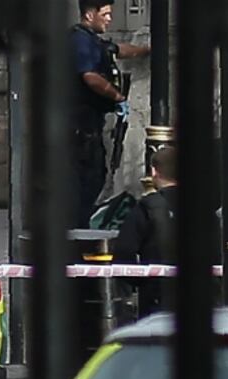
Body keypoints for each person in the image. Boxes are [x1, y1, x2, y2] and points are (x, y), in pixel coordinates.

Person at [70, 0, 150, 228]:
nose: (109, 19)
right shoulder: (80, 41)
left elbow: (118, 50)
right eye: (104, 14)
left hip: (88, 127)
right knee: (87, 182)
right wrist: (117, 97)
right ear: (88, 15)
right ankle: (77, 233)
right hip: (79, 130)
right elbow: (90, 76)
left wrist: (146, 50)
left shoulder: (92, 41)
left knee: (97, 176)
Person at [112, 146, 177, 318]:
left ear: (154, 171)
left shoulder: (147, 207)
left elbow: (123, 253)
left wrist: (142, 281)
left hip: (157, 297)